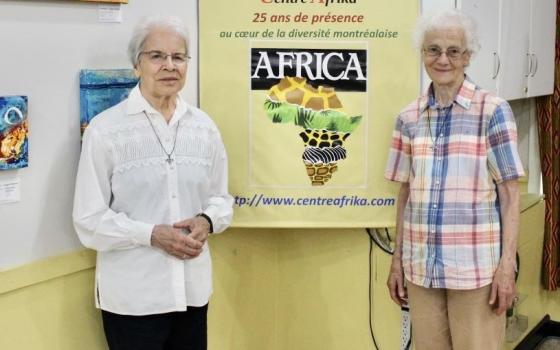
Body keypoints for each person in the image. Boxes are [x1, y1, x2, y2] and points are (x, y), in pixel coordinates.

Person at [73, 15, 233, 350]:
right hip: (134, 299)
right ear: (137, 65)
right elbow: (88, 221)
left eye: (179, 57)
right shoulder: (106, 131)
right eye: (157, 56)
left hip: (192, 292)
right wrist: (151, 234)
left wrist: (207, 221)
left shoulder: (205, 128)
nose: (169, 66)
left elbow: (222, 199)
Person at [384, 9, 525, 350]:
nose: (442, 59)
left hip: (476, 273)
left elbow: (510, 195)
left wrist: (507, 268)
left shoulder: (493, 111)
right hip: (422, 270)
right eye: (433, 49)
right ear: (422, 54)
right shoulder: (408, 117)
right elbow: (405, 193)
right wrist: (397, 260)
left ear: (468, 56)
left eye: (453, 51)